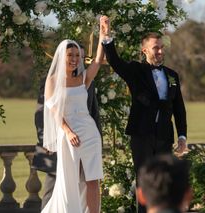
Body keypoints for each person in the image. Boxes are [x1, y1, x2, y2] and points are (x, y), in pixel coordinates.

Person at [100, 16, 187, 212]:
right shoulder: (135, 71)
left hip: (165, 135)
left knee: (164, 180)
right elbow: (114, 61)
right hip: (141, 135)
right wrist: (106, 37)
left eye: (162, 47)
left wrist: (182, 135)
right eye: (156, 47)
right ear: (144, 50)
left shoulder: (172, 75)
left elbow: (179, 107)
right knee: (145, 180)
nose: (160, 51)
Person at [41, 17, 105, 213]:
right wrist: (67, 132)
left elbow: (98, 61)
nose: (75, 59)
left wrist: (104, 33)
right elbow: (54, 110)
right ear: (62, 56)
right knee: (69, 181)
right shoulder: (52, 81)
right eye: (70, 55)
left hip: (90, 133)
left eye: (77, 55)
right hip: (68, 134)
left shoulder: (83, 78)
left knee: (93, 179)